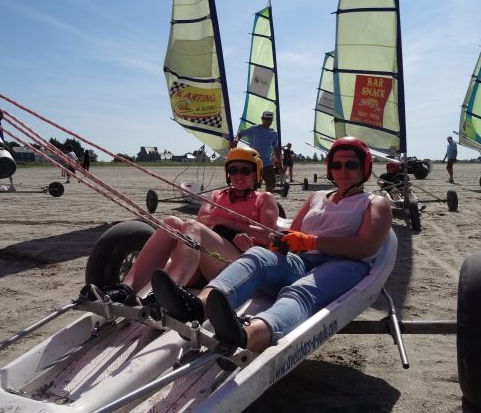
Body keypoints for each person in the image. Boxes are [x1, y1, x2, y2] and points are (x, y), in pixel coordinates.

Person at [151, 136, 392, 353]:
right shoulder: (317, 198)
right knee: (257, 255)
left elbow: (367, 246)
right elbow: (294, 232)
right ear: (330, 168)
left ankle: (251, 334)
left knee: (301, 291)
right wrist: (281, 243)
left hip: (344, 264)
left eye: (351, 164)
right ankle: (198, 307)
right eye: (337, 164)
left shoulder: (374, 202)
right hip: (303, 260)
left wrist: (311, 241)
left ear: (365, 168)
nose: (343, 170)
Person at [110, 147, 280, 305]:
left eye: (245, 170)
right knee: (171, 222)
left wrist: (228, 223)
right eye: (233, 170)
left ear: (256, 173)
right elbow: (203, 222)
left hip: (237, 265)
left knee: (191, 227)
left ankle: (169, 291)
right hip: (200, 266)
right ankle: (126, 288)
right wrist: (232, 233)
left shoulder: (264, 198)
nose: (238, 175)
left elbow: (268, 236)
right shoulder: (215, 195)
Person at [232, 111, 281, 192]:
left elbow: (276, 149)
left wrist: (280, 164)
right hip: (254, 164)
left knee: (271, 185)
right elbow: (240, 133)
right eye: (266, 119)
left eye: (270, 119)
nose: (268, 121)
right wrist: (236, 141)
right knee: (253, 187)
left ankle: (266, 201)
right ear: (262, 119)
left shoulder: (274, 133)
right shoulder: (254, 129)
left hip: (267, 164)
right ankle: (252, 202)